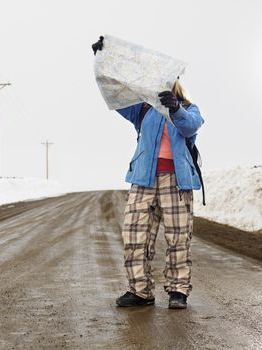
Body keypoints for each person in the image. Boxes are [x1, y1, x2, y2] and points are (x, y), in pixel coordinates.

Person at [92, 36, 205, 309]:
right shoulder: (142, 109)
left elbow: (191, 127)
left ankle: (178, 292)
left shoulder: (189, 109)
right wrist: (102, 58)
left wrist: (175, 108)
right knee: (134, 235)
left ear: (176, 83)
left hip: (177, 182)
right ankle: (140, 292)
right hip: (143, 180)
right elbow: (113, 92)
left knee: (178, 237)